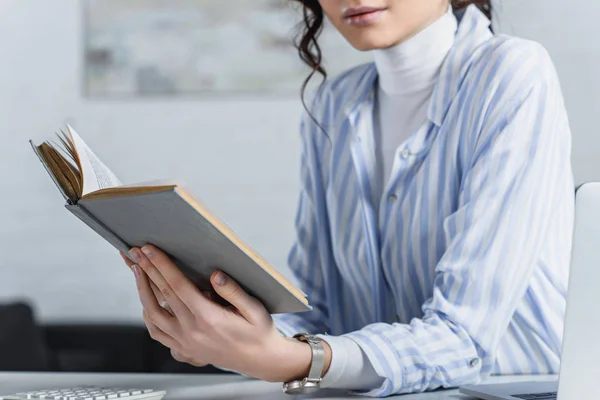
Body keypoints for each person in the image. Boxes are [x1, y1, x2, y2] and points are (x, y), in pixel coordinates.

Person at [121, 0, 574, 396]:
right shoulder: (335, 105)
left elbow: (463, 337)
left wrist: (295, 360)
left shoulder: (511, 73)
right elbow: (316, 311)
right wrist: (223, 327)